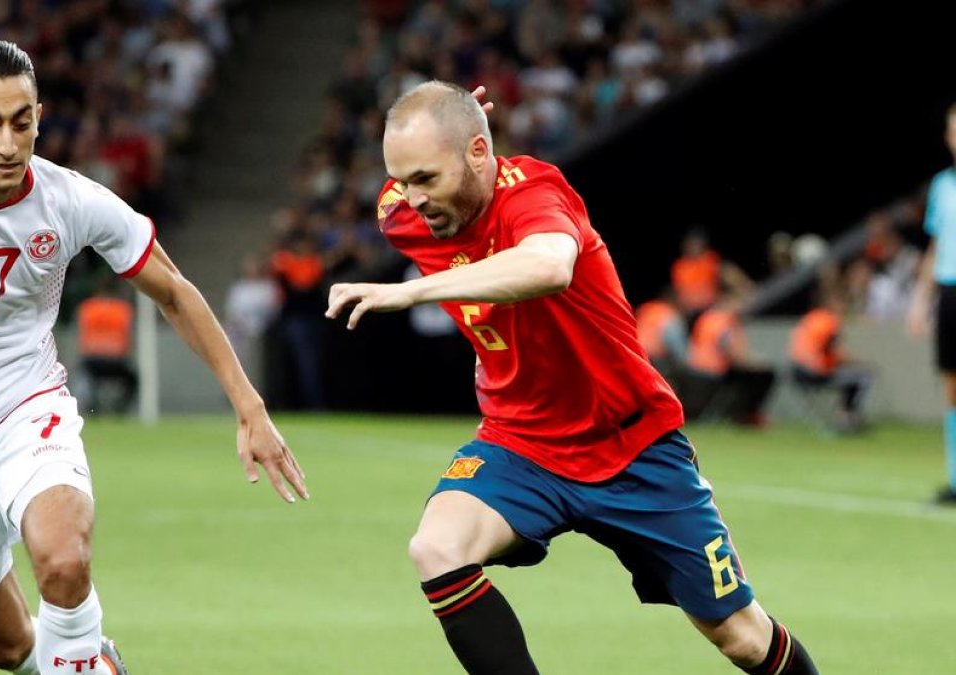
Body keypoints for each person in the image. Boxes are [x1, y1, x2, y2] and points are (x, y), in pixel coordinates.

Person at [0, 41, 308, 675]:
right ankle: (91, 662)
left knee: (64, 561)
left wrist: (249, 404)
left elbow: (174, 291)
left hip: (26, 405)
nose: (9, 144)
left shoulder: (70, 199)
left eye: (22, 122)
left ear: (40, 116)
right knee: (8, 648)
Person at [325, 81, 817, 674]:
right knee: (436, 548)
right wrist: (448, 130)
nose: (411, 198)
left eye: (427, 178)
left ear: (480, 155)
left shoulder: (534, 191)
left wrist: (411, 291)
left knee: (741, 635)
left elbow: (548, 265)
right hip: (521, 442)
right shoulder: (403, 211)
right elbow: (434, 150)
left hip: (632, 445)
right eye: (401, 180)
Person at [907, 102, 956, 505]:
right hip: (949, 291)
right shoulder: (942, 185)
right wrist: (920, 300)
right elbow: (936, 245)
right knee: (952, 388)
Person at [787, 291, 873, 433]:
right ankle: (847, 417)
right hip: (814, 372)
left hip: (796, 371)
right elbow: (830, 352)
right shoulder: (830, 322)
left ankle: (846, 416)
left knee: (850, 378)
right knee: (862, 378)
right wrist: (855, 360)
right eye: (843, 304)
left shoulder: (810, 318)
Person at [684, 295, 776, 426]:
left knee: (750, 378)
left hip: (693, 369)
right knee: (764, 376)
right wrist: (754, 363)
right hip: (714, 371)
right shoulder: (725, 322)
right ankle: (747, 414)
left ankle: (744, 413)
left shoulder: (707, 317)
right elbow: (731, 350)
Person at [74, 277, 138, 414]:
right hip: (116, 361)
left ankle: (91, 408)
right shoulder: (122, 309)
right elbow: (128, 337)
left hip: (93, 360)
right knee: (133, 379)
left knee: (84, 374)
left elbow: (82, 334)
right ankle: (120, 408)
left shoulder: (88, 307)